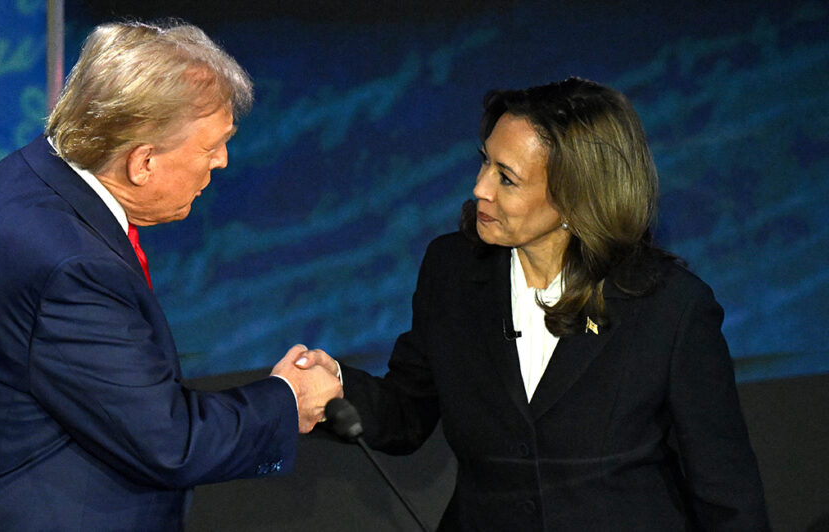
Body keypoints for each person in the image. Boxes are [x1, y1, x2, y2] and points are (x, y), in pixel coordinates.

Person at [0, 21, 341, 530]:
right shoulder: (72, 265)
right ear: (142, 161)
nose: (222, 161)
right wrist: (288, 399)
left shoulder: (15, 184)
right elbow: (170, 443)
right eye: (212, 145)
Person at [299, 77, 769, 530]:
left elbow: (725, 490)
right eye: (485, 163)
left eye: (507, 178)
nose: (480, 188)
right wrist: (336, 388)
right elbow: (408, 411)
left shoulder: (671, 307)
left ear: (574, 196)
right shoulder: (453, 271)